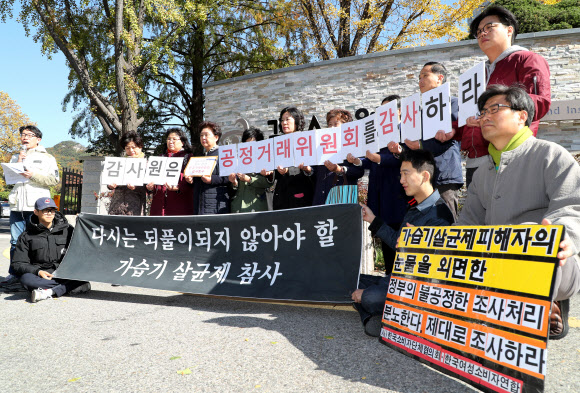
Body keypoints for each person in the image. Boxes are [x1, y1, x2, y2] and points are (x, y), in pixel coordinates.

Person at [458, 85, 580, 340]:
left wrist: (566, 236)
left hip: (554, 262)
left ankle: (549, 302)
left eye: (495, 108)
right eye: (482, 112)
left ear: (522, 115)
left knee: (536, 240)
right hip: (496, 264)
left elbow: (572, 206)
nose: (486, 116)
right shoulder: (481, 174)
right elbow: (467, 223)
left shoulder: (551, 154)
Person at [436, 5, 551, 188]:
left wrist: (496, 113)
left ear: (509, 30)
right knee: (481, 216)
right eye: (479, 31)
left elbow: (539, 102)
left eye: (489, 27)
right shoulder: (476, 74)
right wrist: (454, 132)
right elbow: (472, 116)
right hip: (474, 161)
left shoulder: (526, 60)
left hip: (509, 156)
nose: (483, 33)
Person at [356, 150, 455, 337]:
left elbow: (436, 268)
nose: (401, 180)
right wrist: (373, 220)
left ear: (425, 176)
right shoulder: (414, 208)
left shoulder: (440, 215)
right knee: (353, 280)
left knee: (369, 297)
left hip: (417, 287)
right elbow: (397, 243)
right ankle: (376, 317)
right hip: (397, 278)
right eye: (400, 174)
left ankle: (375, 313)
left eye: (406, 173)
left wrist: (416, 246)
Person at [388, 62, 463, 219]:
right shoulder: (418, 112)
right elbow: (412, 146)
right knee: (425, 225)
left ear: (439, 78)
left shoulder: (452, 103)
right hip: (421, 177)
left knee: (446, 224)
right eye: (419, 77)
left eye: (425, 76)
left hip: (444, 175)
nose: (420, 81)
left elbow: (451, 138)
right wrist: (399, 150)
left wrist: (421, 145)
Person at [347, 95, 408, 271]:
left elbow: (404, 158)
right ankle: (388, 282)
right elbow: (369, 160)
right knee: (385, 241)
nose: (383, 114)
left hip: (397, 194)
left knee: (400, 243)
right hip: (378, 194)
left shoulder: (405, 130)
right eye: (381, 110)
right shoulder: (376, 133)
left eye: (387, 109)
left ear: (399, 111)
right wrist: (358, 161)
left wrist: (379, 157)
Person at [3, 125, 59, 285]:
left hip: (37, 206)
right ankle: (14, 274)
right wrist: (18, 162)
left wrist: (33, 175)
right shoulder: (15, 156)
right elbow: (9, 181)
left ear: (38, 139)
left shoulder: (47, 158)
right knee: (15, 242)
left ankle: (36, 273)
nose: (25, 137)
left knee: (37, 241)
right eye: (22, 134)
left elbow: (54, 180)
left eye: (29, 134)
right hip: (17, 205)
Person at [11, 197, 91, 303]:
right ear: (36, 212)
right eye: (45, 210)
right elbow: (18, 263)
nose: (49, 213)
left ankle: (48, 292)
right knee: (26, 280)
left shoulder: (68, 230)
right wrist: (38, 271)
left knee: (83, 273)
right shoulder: (26, 236)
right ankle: (71, 286)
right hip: (42, 275)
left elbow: (82, 249)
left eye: (52, 210)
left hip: (65, 272)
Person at [306, 109, 364, 205]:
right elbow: (315, 172)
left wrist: (340, 169)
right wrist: (308, 169)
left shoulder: (352, 145)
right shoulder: (320, 146)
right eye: (329, 124)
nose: (331, 127)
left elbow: (359, 171)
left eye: (335, 124)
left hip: (342, 197)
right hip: (321, 197)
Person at [264, 107, 315, 210]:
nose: (284, 123)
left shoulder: (305, 140)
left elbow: (311, 169)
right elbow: (274, 172)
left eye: (287, 119)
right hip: (281, 195)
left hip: (300, 193)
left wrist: (288, 170)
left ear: (297, 120)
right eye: (282, 120)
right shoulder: (277, 142)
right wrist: (270, 174)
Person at [185, 121, 231, 214]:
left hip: (217, 206)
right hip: (200, 205)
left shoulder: (224, 155)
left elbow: (230, 177)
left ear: (216, 137)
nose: (203, 138)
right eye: (201, 135)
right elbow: (197, 181)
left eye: (206, 135)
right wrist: (190, 180)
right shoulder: (199, 157)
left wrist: (212, 179)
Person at [148, 128, 194, 216]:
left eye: (174, 139)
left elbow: (192, 182)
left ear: (182, 142)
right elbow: (152, 179)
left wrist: (179, 187)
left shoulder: (188, 158)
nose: (171, 141)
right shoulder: (160, 158)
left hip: (180, 204)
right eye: (169, 139)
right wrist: (150, 187)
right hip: (159, 205)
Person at [228, 127, 273, 213]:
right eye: (246, 143)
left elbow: (269, 183)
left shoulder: (265, 159)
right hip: (238, 207)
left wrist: (249, 179)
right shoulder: (236, 159)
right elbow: (233, 188)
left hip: (256, 207)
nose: (249, 147)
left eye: (252, 144)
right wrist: (234, 183)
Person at [107, 131, 147, 216]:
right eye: (127, 148)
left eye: (134, 147)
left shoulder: (146, 164)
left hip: (135, 207)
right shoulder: (119, 163)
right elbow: (110, 179)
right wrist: (110, 185)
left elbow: (149, 189)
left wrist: (135, 188)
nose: (131, 150)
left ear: (140, 147)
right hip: (116, 206)